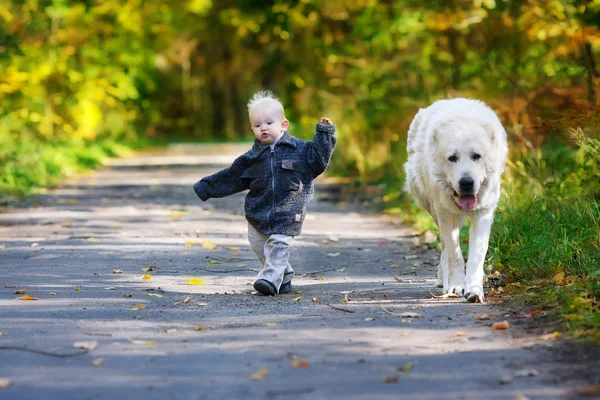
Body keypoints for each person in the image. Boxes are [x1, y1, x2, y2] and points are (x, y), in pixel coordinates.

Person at [193, 90, 336, 296]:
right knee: (260, 245)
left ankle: (269, 279)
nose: (263, 129)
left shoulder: (301, 150)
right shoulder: (251, 158)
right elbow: (231, 177)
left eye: (269, 123)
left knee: (278, 244)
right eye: (258, 125)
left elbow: (319, 161)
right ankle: (282, 278)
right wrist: (206, 186)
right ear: (252, 128)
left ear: (283, 125)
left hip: (289, 211)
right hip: (258, 212)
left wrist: (324, 133)